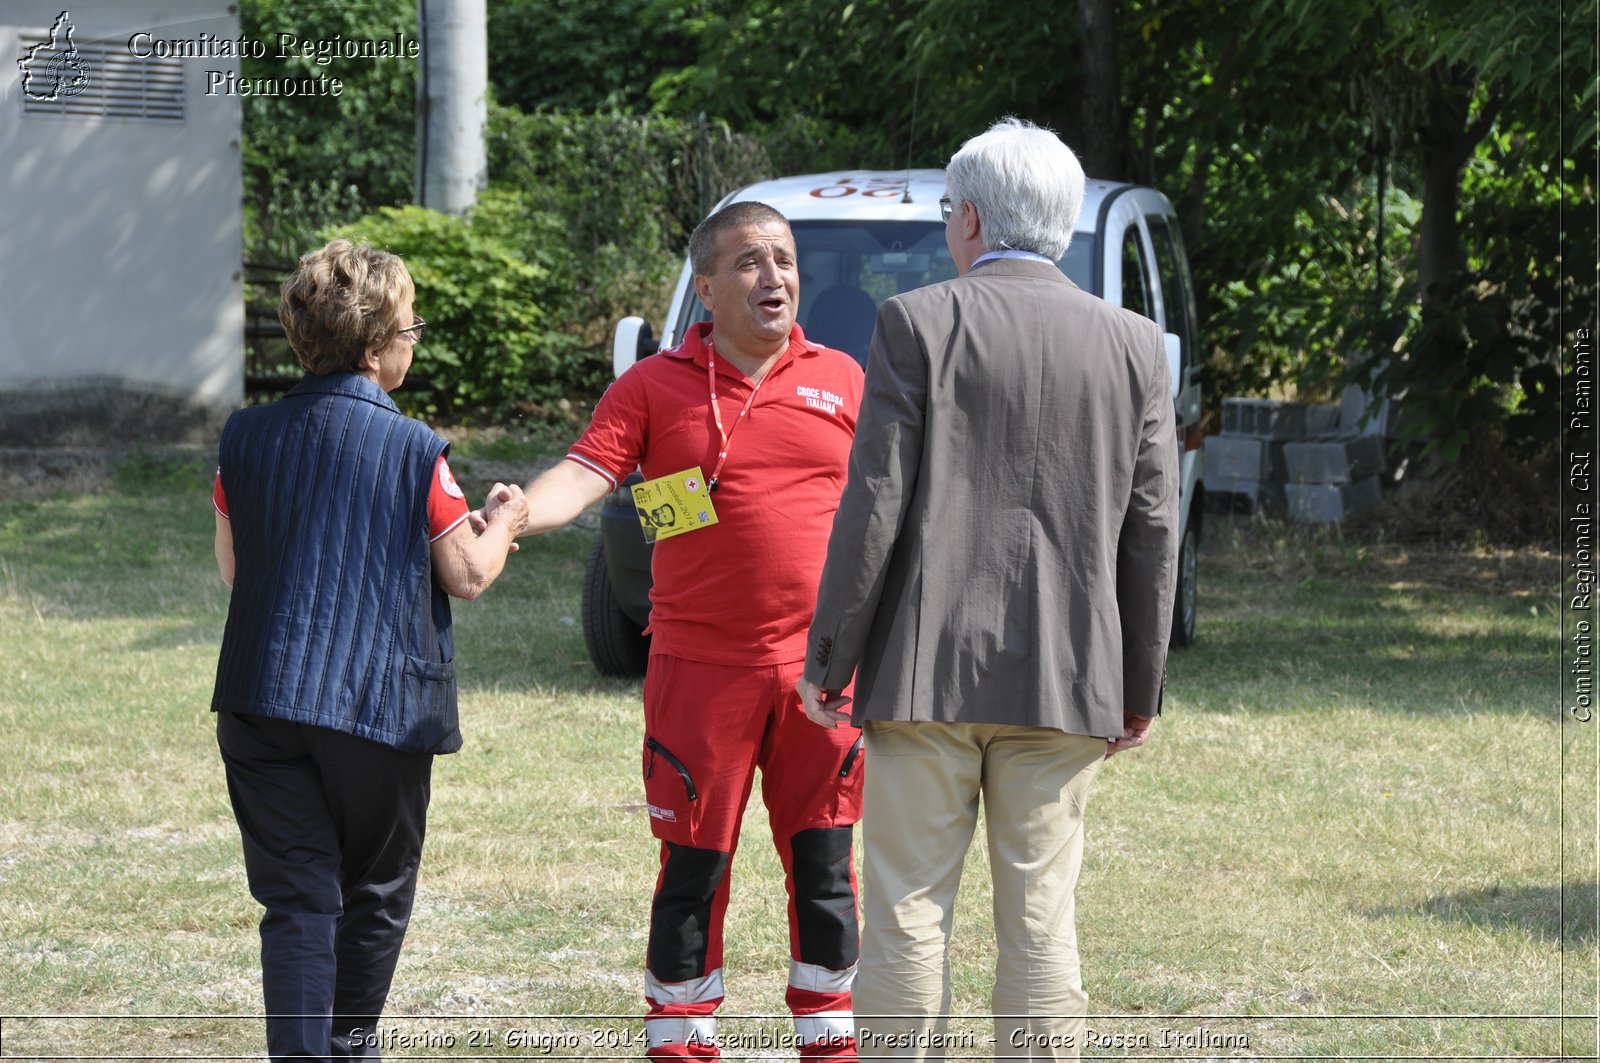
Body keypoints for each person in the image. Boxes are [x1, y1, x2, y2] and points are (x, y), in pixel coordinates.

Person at [796, 118, 1180, 1060]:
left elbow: (873, 503)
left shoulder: (915, 322)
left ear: (967, 218)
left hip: (924, 675)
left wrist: (829, 656)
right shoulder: (1138, 344)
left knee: (908, 912)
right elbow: (1155, 526)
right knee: (1043, 919)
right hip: (1068, 676)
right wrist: (1140, 685)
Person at [485, 202, 866, 1061]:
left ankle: (833, 1048)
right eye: (749, 262)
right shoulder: (653, 385)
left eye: (785, 259)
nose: (775, 277)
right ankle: (682, 1045)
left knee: (826, 871)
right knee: (693, 872)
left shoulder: (843, 379)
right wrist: (517, 516)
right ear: (706, 288)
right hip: (702, 673)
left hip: (823, 675)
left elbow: (898, 506)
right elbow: (585, 473)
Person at [210, 239, 530, 1060]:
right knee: (377, 891)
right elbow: (464, 572)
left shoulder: (242, 437)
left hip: (258, 696)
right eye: (409, 325)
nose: (413, 339)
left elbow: (233, 566)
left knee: (296, 900)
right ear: (372, 345)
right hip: (376, 705)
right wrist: (507, 525)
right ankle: (350, 1047)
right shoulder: (415, 446)